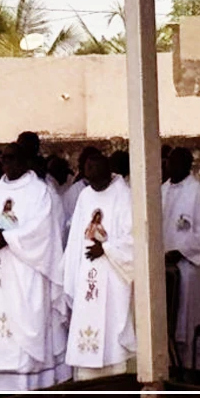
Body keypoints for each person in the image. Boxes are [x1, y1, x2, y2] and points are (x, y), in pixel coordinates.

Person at [0, 143, 67, 390]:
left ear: (25, 161)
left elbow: (42, 231)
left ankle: (30, 380)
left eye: (12, 159)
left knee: (26, 319)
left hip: (26, 271)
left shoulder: (39, 192)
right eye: (4, 159)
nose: (7, 163)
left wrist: (9, 238)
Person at [61, 153, 136, 380]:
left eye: (95, 164)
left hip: (114, 276)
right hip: (87, 274)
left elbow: (133, 239)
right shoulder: (84, 196)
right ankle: (86, 378)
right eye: (87, 165)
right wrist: (71, 271)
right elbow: (75, 239)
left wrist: (106, 249)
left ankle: (116, 376)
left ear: (108, 168)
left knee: (112, 321)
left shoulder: (124, 195)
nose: (90, 168)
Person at [162, 147, 200, 373]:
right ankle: (170, 363)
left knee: (191, 316)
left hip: (190, 266)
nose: (172, 166)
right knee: (170, 318)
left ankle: (198, 366)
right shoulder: (161, 190)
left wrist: (181, 251)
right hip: (164, 266)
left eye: (178, 162)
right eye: (170, 162)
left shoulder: (199, 191)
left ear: (188, 165)